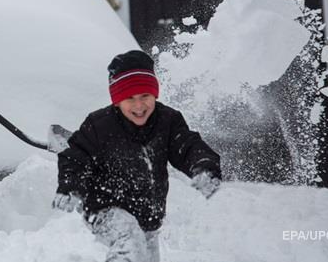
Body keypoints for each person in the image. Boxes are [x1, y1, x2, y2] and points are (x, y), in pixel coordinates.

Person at [52, 50, 221, 262]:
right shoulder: (99, 125)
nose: (139, 106)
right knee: (129, 242)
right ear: (117, 100)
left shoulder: (167, 121)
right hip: (105, 210)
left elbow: (187, 146)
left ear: (155, 94)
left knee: (144, 255)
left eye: (145, 96)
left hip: (149, 217)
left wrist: (204, 166)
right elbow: (75, 157)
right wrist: (70, 187)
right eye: (129, 98)